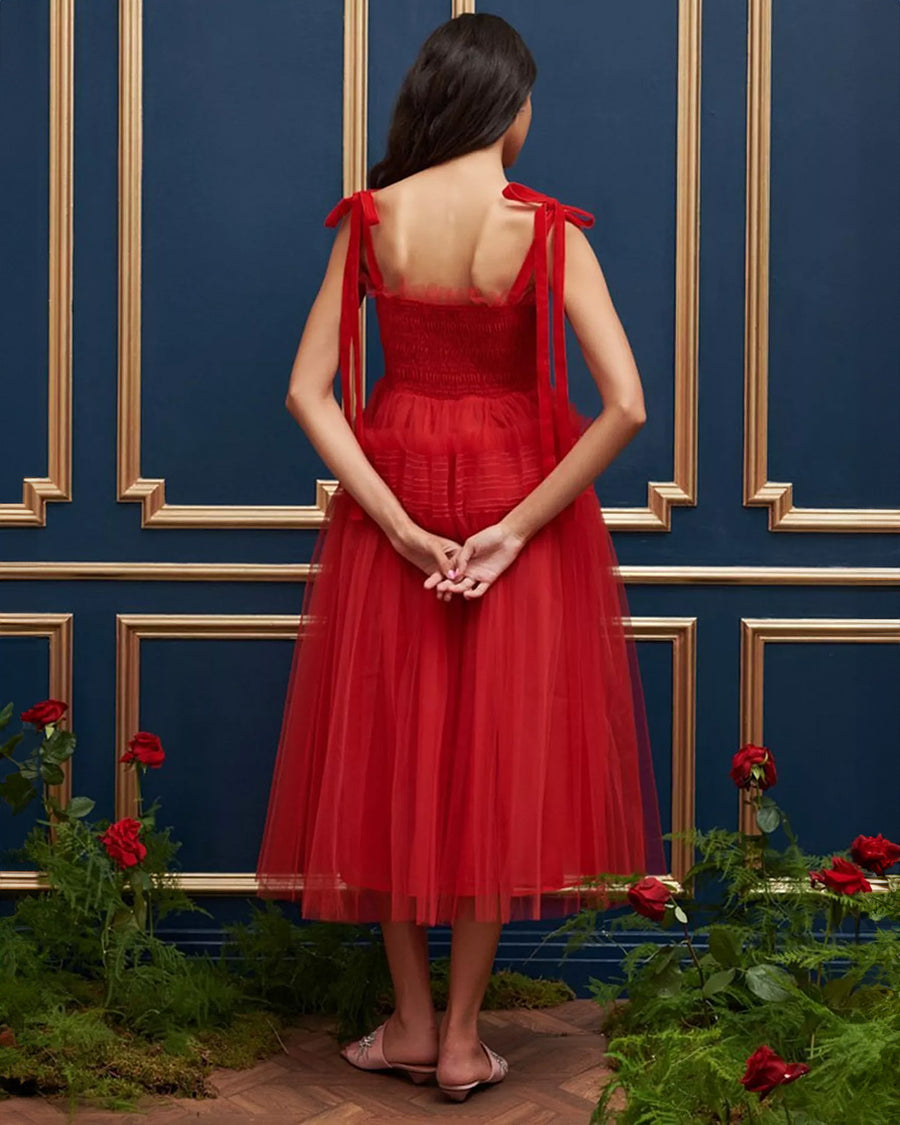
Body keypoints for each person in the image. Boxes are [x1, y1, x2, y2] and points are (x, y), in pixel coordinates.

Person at [256, 11, 665, 1103]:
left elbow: (307, 390)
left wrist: (390, 519)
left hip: (393, 498)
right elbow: (626, 404)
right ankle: (463, 1041)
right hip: (510, 499)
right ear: (509, 107)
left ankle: (407, 1019)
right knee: (496, 764)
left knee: (392, 758)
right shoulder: (544, 230)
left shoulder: (370, 219)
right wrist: (519, 526)